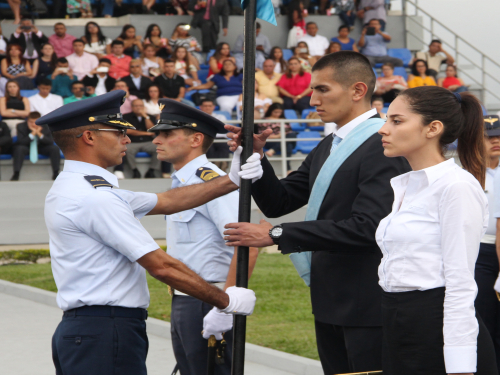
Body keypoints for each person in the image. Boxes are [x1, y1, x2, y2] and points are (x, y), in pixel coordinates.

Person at [38, 90, 259, 375]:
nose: (128, 140)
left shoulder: (79, 187)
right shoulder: (95, 197)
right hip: (105, 328)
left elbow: (167, 202)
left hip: (94, 328)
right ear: (89, 137)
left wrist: (231, 179)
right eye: (118, 133)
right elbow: (161, 266)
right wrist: (226, 301)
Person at [223, 51, 411, 374]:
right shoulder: (328, 146)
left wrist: (276, 234)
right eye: (312, 90)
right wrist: (258, 159)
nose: (312, 101)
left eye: (323, 89)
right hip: (329, 301)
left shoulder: (382, 145)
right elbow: (279, 201)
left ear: (357, 91)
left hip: (366, 305)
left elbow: (367, 227)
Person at [377, 87, 497, 375]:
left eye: (396, 121)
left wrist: (460, 363)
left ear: (433, 128)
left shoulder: (456, 186)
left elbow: (460, 282)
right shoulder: (406, 185)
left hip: (436, 329)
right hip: (399, 323)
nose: (383, 129)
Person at [151, 98, 258, 375]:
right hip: (186, 299)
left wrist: (225, 305)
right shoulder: (184, 183)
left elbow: (249, 244)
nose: (156, 140)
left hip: (208, 298)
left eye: (166, 133)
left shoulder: (210, 182)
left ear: (196, 139)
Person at [479, 115, 500, 374]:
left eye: (499, 135)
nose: (496, 141)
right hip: (480, 252)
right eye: (489, 136)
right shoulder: (466, 173)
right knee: (482, 317)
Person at [11, 111, 61, 181]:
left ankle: (56, 173)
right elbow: (21, 142)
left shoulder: (46, 126)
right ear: (27, 120)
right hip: (27, 147)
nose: (34, 124)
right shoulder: (20, 126)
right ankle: (16, 173)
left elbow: (50, 142)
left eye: (36, 122)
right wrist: (33, 133)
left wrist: (39, 133)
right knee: (19, 148)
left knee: (54, 148)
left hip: (42, 147)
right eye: (31, 122)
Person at [121, 98, 159, 179]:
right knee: (127, 149)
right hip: (132, 142)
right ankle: (135, 171)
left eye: (141, 106)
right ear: (132, 107)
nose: (138, 108)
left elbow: (152, 129)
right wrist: (146, 133)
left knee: (158, 148)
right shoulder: (126, 117)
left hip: (148, 142)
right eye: (136, 106)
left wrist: (145, 116)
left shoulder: (150, 116)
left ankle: (151, 171)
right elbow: (128, 131)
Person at [258, 103, 296, 172]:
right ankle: (288, 169)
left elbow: (289, 132)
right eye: (275, 112)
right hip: (271, 141)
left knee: (292, 135)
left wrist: (282, 137)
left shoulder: (284, 119)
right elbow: (263, 135)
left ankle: (273, 150)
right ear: (271, 111)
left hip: (284, 140)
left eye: (280, 112)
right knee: (288, 145)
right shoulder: (264, 120)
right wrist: (278, 136)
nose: (278, 114)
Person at [200, 98, 229, 170]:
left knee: (223, 144)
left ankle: (222, 167)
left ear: (213, 107)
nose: (207, 108)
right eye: (205, 106)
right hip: (206, 138)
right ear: (201, 107)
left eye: (209, 106)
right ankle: (211, 168)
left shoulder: (221, 117)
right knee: (208, 145)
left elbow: (224, 130)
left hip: (219, 138)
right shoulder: (197, 118)